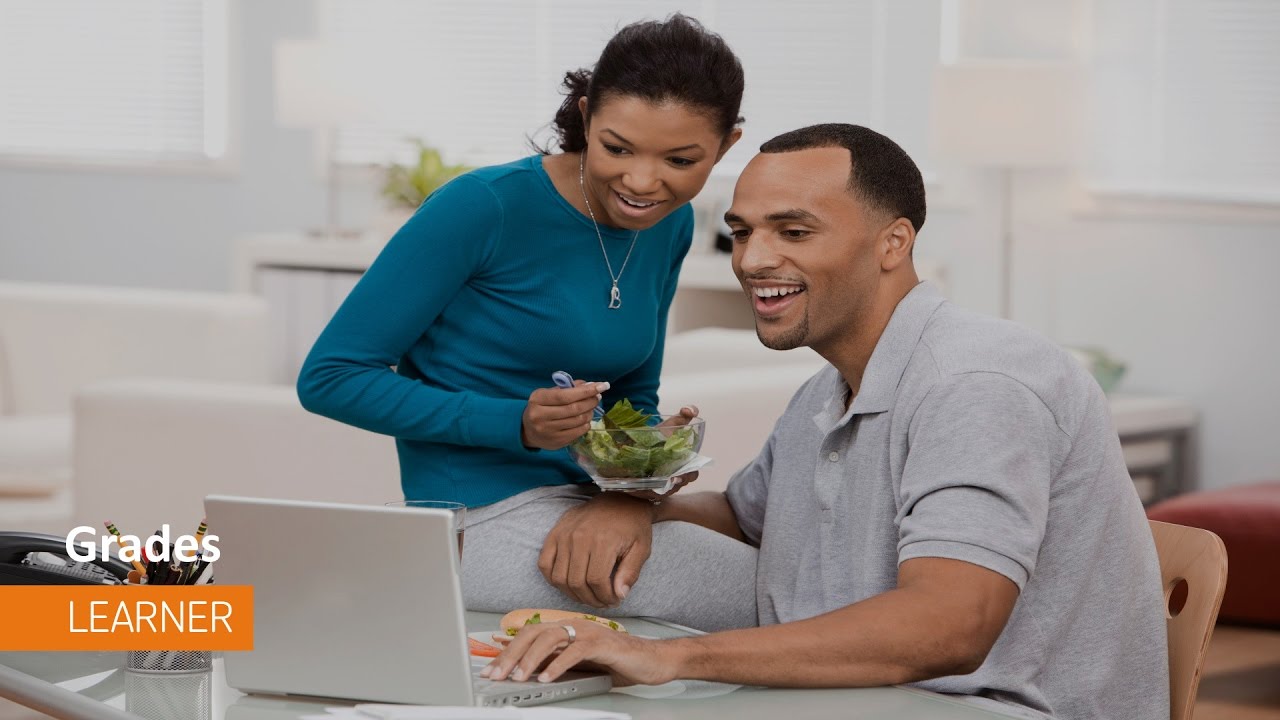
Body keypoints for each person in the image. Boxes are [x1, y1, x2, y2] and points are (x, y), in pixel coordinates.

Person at [483, 124, 1170, 720]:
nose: (752, 260)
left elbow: (951, 624)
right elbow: (748, 513)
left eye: (794, 231)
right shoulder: (827, 389)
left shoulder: (975, 384)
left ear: (893, 242)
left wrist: (668, 657)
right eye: (743, 232)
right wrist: (635, 504)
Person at [296, 14, 758, 632]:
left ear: (727, 145)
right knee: (775, 596)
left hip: (584, 504)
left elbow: (632, 393)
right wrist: (515, 422)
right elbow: (329, 377)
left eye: (680, 159)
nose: (643, 181)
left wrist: (647, 459)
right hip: (476, 516)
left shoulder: (668, 224)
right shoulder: (483, 207)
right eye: (617, 147)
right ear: (587, 116)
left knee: (795, 566)